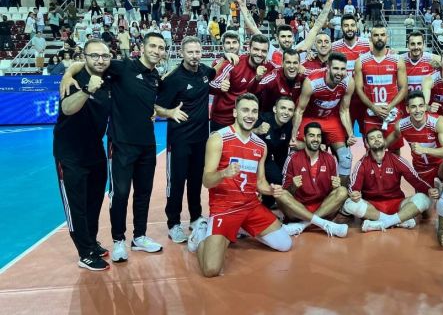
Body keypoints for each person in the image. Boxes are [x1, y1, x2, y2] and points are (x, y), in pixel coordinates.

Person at [61, 32, 183, 262]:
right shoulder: (123, 67)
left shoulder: (155, 77)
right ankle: (118, 240)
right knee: (120, 194)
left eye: (161, 47)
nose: (156, 51)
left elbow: (151, 105)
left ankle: (140, 237)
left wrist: (166, 112)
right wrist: (68, 73)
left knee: (144, 193)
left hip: (147, 144)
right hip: (121, 143)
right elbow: (91, 62)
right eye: (152, 46)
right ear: (142, 48)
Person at [189, 94, 292, 277]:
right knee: (211, 270)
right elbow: (206, 181)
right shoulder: (218, 138)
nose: (250, 115)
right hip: (224, 208)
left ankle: (241, 227)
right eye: (245, 110)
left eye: (254, 111)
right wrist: (223, 173)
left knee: (285, 244)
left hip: (251, 206)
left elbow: (260, 182)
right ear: (235, 112)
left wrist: (271, 190)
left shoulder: (260, 145)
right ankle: (201, 235)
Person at [53, 39, 112, 271]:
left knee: (94, 201)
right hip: (69, 152)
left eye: (104, 56)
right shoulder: (75, 80)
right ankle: (84, 253)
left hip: (95, 149)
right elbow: (67, 108)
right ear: (84, 57)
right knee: (76, 204)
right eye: (94, 55)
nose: (100, 60)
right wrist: (87, 89)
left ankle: (91, 242)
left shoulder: (109, 77)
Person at [154, 37, 216, 244]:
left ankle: (196, 217)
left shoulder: (205, 72)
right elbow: (156, 106)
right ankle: (173, 223)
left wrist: (228, 57)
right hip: (180, 140)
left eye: (197, 52)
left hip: (201, 139)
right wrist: (170, 112)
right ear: (182, 53)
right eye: (190, 52)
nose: (194, 56)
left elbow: (216, 71)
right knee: (177, 182)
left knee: (196, 180)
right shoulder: (173, 78)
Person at [343, 128, 438, 232]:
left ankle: (383, 223)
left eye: (379, 137)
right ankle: (397, 221)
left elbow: (415, 179)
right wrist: (354, 193)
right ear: (367, 144)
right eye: (372, 138)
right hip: (373, 208)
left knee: (423, 198)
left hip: (398, 204)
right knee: (349, 203)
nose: (376, 139)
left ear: (384, 141)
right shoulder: (361, 164)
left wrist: (428, 189)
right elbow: (354, 187)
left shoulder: (396, 159)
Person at [291, 53, 357, 186]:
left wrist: (350, 134)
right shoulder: (312, 81)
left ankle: (342, 191)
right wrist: (293, 135)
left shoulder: (348, 82)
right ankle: (295, 187)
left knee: (346, 158)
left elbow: (344, 110)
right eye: (336, 68)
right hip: (310, 118)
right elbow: (299, 110)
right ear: (328, 67)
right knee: (294, 151)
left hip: (330, 118)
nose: (340, 73)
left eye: (343, 69)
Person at [275, 122, 349, 237]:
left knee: (342, 191)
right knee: (280, 194)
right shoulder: (293, 158)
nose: (315, 139)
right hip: (298, 208)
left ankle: (303, 225)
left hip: (322, 207)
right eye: (311, 135)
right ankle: (323, 223)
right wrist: (293, 186)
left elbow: (333, 191)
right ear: (304, 138)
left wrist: (335, 187)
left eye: (318, 136)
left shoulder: (330, 159)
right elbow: (286, 192)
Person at [354, 26, 408, 154]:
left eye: (382, 35)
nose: (379, 38)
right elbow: (359, 89)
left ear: (387, 37)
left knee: (395, 152)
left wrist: (390, 107)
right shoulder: (361, 61)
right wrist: (373, 107)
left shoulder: (397, 60)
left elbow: (404, 88)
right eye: (376, 35)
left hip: (392, 112)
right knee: (371, 152)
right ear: (370, 38)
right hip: (371, 114)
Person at [386, 91, 443, 188]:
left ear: (425, 107)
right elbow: (393, 137)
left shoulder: (438, 121)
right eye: (413, 107)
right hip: (420, 170)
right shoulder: (401, 125)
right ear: (407, 109)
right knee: (424, 197)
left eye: (421, 106)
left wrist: (424, 150)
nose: (418, 110)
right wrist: (375, 148)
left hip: (440, 168)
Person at [209, 34, 273, 131]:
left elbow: (284, 67)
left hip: (247, 120)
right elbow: (209, 84)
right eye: (256, 49)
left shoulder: (268, 67)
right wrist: (219, 86)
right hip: (224, 119)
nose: (260, 54)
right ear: (249, 49)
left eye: (263, 51)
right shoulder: (234, 63)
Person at [253, 96, 296, 208]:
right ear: (275, 109)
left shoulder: (289, 125)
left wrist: (285, 174)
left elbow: (281, 153)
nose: (286, 112)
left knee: (279, 179)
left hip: (266, 159)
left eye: (290, 110)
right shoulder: (262, 119)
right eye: (283, 108)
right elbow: (241, 133)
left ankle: (266, 206)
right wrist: (256, 130)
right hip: (249, 158)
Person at [331, 14, 370, 135]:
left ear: (356, 26)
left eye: (352, 25)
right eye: (346, 25)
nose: (349, 28)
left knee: (369, 135)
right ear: (341, 27)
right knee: (345, 136)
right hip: (344, 99)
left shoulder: (368, 45)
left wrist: (391, 52)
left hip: (364, 99)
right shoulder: (334, 47)